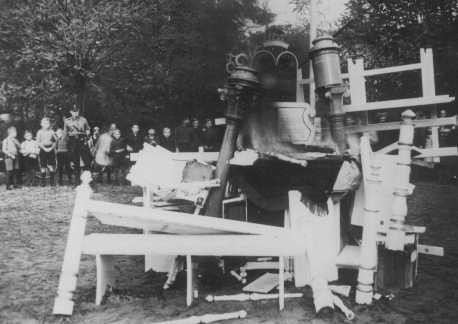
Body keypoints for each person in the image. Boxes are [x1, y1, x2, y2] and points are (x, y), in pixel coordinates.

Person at [63, 105, 91, 182]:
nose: (75, 113)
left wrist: (87, 135)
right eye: (73, 111)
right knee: (75, 161)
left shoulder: (83, 119)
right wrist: (66, 143)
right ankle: (77, 180)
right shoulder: (67, 121)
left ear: (78, 111)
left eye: (77, 111)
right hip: (72, 141)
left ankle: (88, 180)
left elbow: (88, 129)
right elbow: (65, 133)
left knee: (86, 160)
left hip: (82, 139)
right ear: (71, 112)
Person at [36, 117, 57, 186]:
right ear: (41, 124)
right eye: (44, 123)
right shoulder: (39, 132)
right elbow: (38, 142)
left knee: (51, 165)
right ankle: (43, 182)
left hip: (50, 149)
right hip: (43, 149)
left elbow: (55, 141)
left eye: (47, 123)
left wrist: (51, 148)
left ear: (49, 124)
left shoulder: (52, 132)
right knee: (43, 166)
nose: (46, 125)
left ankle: (52, 182)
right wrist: (44, 148)